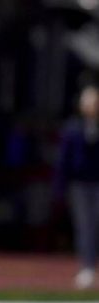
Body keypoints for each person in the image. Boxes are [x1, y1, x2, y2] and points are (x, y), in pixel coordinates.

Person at [56, 84, 99, 289]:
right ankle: (87, 267)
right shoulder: (73, 128)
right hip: (80, 184)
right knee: (85, 226)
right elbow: (64, 160)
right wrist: (60, 187)